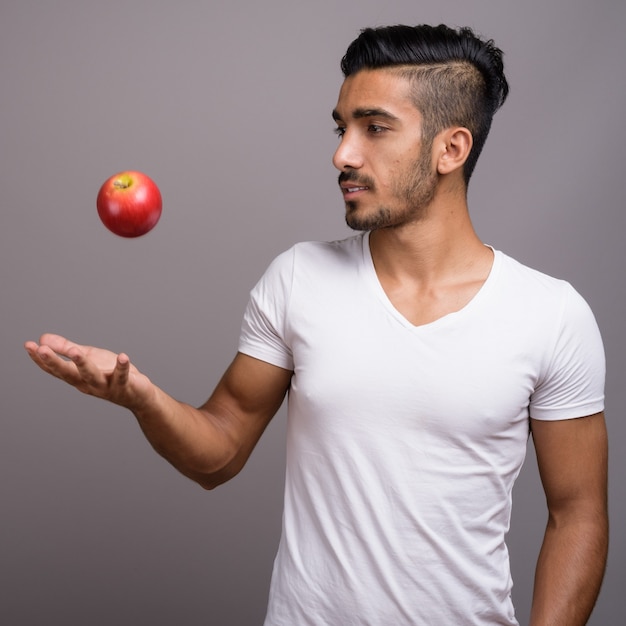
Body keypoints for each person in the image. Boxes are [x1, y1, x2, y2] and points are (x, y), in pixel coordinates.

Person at [25, 24, 608, 626]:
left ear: (451, 149)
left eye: (374, 128)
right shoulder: (299, 278)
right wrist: (139, 397)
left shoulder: (551, 315)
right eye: (342, 127)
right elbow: (218, 454)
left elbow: (579, 514)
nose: (343, 154)